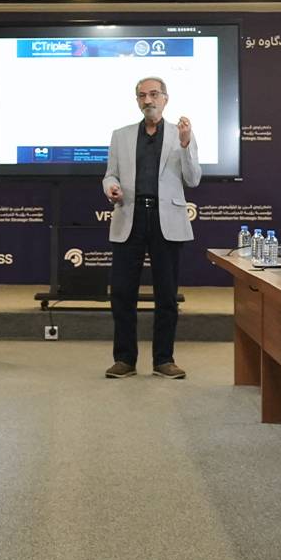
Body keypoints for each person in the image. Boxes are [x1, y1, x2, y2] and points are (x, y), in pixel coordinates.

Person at [102, 76, 200, 380]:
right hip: (129, 217)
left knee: (167, 295)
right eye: (142, 95)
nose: (148, 100)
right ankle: (124, 359)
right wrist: (111, 187)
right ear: (137, 101)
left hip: (165, 219)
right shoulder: (121, 135)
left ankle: (164, 360)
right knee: (122, 293)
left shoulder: (181, 134)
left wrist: (186, 144)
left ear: (165, 99)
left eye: (154, 94)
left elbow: (193, 178)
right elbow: (110, 175)